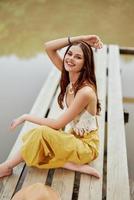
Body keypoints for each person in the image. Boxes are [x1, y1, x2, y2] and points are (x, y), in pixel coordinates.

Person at [0, 35, 103, 179]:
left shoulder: (85, 91)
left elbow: (57, 124)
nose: (70, 59)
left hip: (86, 148)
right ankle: (67, 163)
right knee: (37, 136)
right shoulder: (70, 76)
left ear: (86, 64)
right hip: (72, 137)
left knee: (42, 132)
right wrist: (82, 38)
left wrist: (25, 116)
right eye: (69, 53)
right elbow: (49, 47)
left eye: (78, 57)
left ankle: (6, 167)